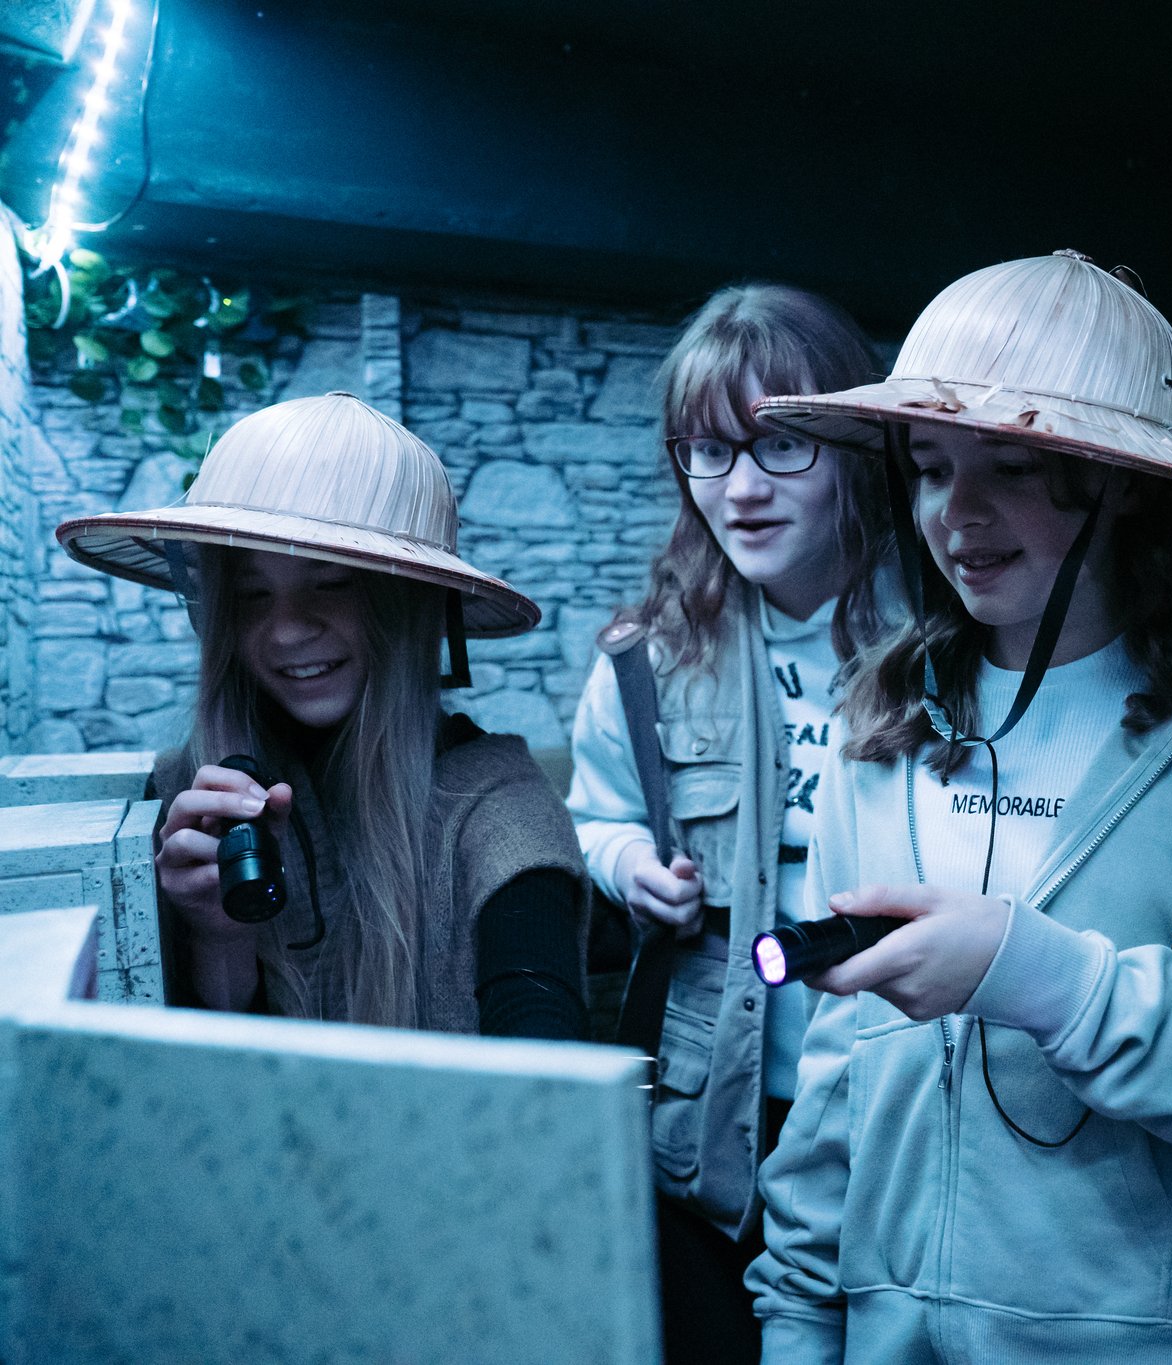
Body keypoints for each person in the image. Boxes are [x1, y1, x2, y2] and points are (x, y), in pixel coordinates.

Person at [743, 250, 1172, 1362]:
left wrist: (1038, 977)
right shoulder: (881, 722)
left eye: (1012, 466)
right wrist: (799, 1317)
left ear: (1124, 484)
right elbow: (841, 1064)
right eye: (929, 467)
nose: (956, 514)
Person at [564, 283, 892, 1363]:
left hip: (899, 1110)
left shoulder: (951, 638)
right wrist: (626, 863)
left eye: (780, 445)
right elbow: (594, 814)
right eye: (708, 451)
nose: (740, 489)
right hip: (717, 1120)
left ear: (859, 448)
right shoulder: (647, 661)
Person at [54, 392, 588, 1039]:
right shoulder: (186, 805)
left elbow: (543, 1045)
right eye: (250, 592)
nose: (286, 630)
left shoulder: (497, 806)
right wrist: (218, 935)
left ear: (412, 602)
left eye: (332, 581)